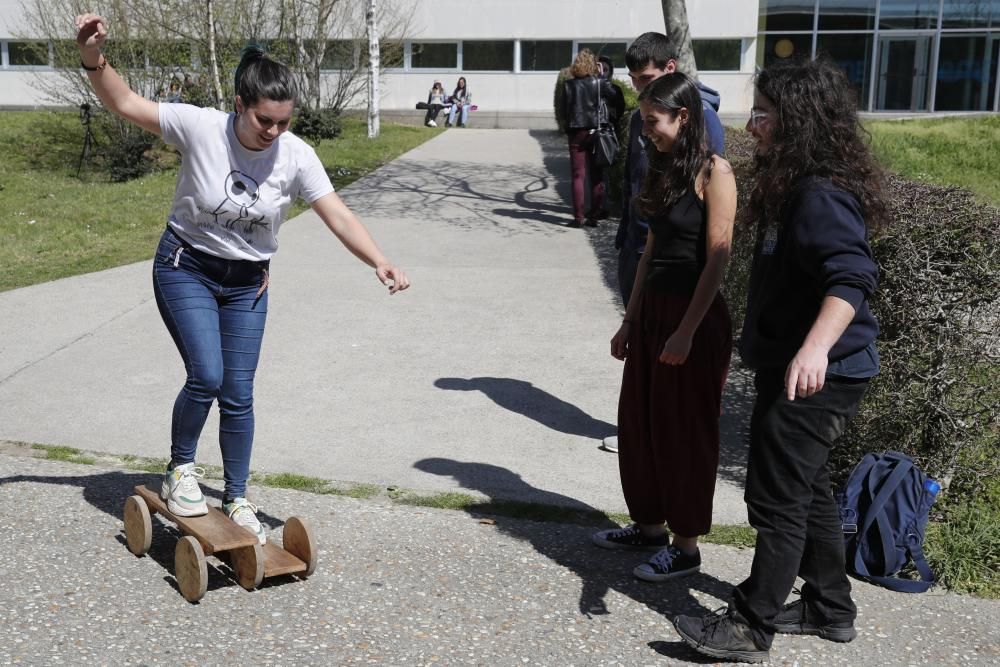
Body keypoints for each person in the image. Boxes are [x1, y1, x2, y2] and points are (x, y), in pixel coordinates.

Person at [74, 13, 410, 544]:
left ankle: (236, 495)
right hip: (187, 267)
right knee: (206, 375)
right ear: (240, 105)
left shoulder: (296, 155)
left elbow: (337, 213)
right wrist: (94, 58)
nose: (274, 132)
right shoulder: (200, 126)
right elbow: (125, 103)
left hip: (247, 284)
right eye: (264, 122)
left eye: (283, 122)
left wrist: (378, 259)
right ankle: (181, 468)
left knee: (239, 392)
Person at [672, 56, 888, 663]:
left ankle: (749, 624)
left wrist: (815, 347)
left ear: (797, 120)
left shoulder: (818, 194)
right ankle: (828, 606)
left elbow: (852, 276)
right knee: (809, 487)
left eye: (762, 114)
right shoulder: (794, 184)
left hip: (822, 370)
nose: (750, 126)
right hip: (803, 363)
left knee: (777, 498)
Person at [591, 73, 736, 584]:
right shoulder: (663, 166)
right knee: (640, 425)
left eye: (653, 122)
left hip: (693, 318)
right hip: (653, 312)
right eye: (643, 121)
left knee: (685, 433)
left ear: (684, 117)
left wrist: (687, 331)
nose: (646, 131)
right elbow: (651, 250)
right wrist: (629, 320)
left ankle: (687, 545)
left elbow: (718, 257)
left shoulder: (714, 172)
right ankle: (649, 527)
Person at [602, 31, 725, 454]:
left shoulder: (707, 143)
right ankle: (648, 511)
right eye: (634, 80)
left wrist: (687, 328)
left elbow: (715, 247)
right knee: (643, 394)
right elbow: (642, 187)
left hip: (682, 288)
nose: (640, 89)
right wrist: (630, 319)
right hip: (642, 253)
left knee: (679, 412)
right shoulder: (647, 120)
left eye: (647, 78)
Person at [562, 49, 624, 228]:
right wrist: (603, 75)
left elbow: (564, 112)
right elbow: (616, 97)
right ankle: (594, 217)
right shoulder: (599, 83)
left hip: (576, 133)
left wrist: (569, 130)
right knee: (597, 176)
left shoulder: (568, 85)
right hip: (596, 132)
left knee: (577, 176)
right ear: (593, 66)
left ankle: (578, 217)